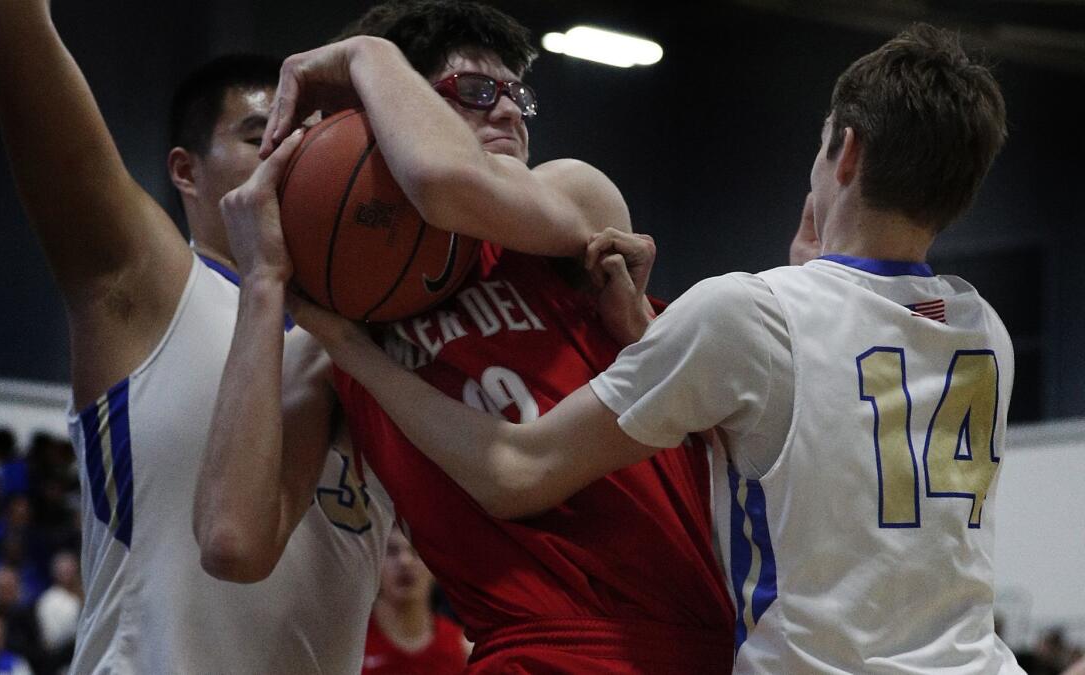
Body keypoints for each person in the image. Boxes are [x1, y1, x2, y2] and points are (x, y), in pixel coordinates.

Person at [294, 22, 1022, 673]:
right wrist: (644, 327)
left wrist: (350, 349)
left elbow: (515, 469)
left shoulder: (748, 311)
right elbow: (780, 415)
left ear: (846, 152)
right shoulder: (984, 328)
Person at [207, 0, 734, 670]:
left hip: (690, 642)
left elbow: (441, 181)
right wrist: (264, 286)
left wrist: (365, 53)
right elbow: (233, 542)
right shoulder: (337, 344)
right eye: (477, 93)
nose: (510, 112)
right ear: (382, 116)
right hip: (527, 649)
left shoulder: (570, 203)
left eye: (518, 94)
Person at [0, 1, 393, 672]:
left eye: (309, 136)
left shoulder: (371, 343)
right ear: (185, 171)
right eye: (263, 134)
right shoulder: (151, 281)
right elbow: (12, 27)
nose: (293, 152)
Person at [362, 526, 468, 674]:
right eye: (392, 551)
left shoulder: (463, 647)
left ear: (436, 567)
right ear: (374, 564)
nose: (405, 561)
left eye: (417, 552)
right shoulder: (352, 643)